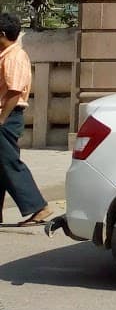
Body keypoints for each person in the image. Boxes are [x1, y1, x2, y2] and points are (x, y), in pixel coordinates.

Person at [0, 13, 50, 226]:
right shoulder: (6, 55)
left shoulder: (14, 57)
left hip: (7, 116)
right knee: (2, 164)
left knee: (9, 163)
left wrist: (2, 119)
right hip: (6, 115)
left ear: (2, 34)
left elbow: (14, 91)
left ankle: (39, 206)